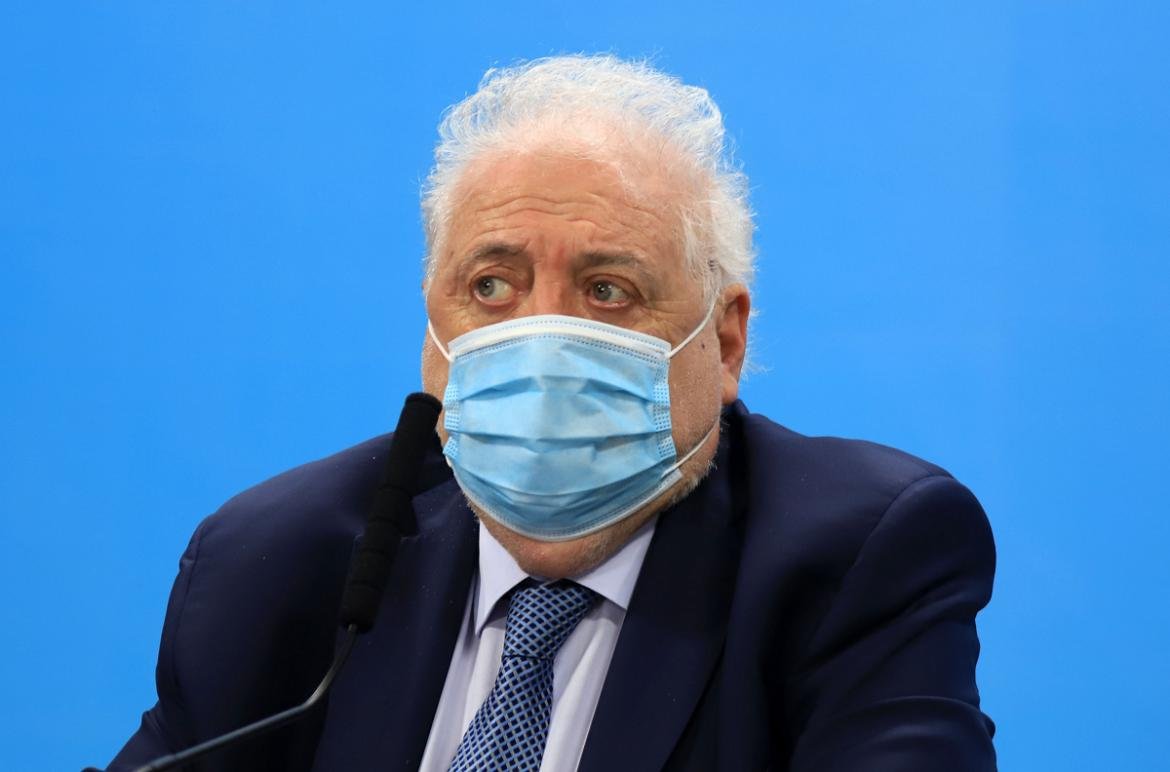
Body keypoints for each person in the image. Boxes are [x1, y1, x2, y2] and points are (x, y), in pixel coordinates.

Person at [104, 55, 996, 771]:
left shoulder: (853, 564)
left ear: (724, 342)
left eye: (608, 291)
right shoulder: (278, 564)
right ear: (431, 327)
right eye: (492, 287)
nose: (541, 341)